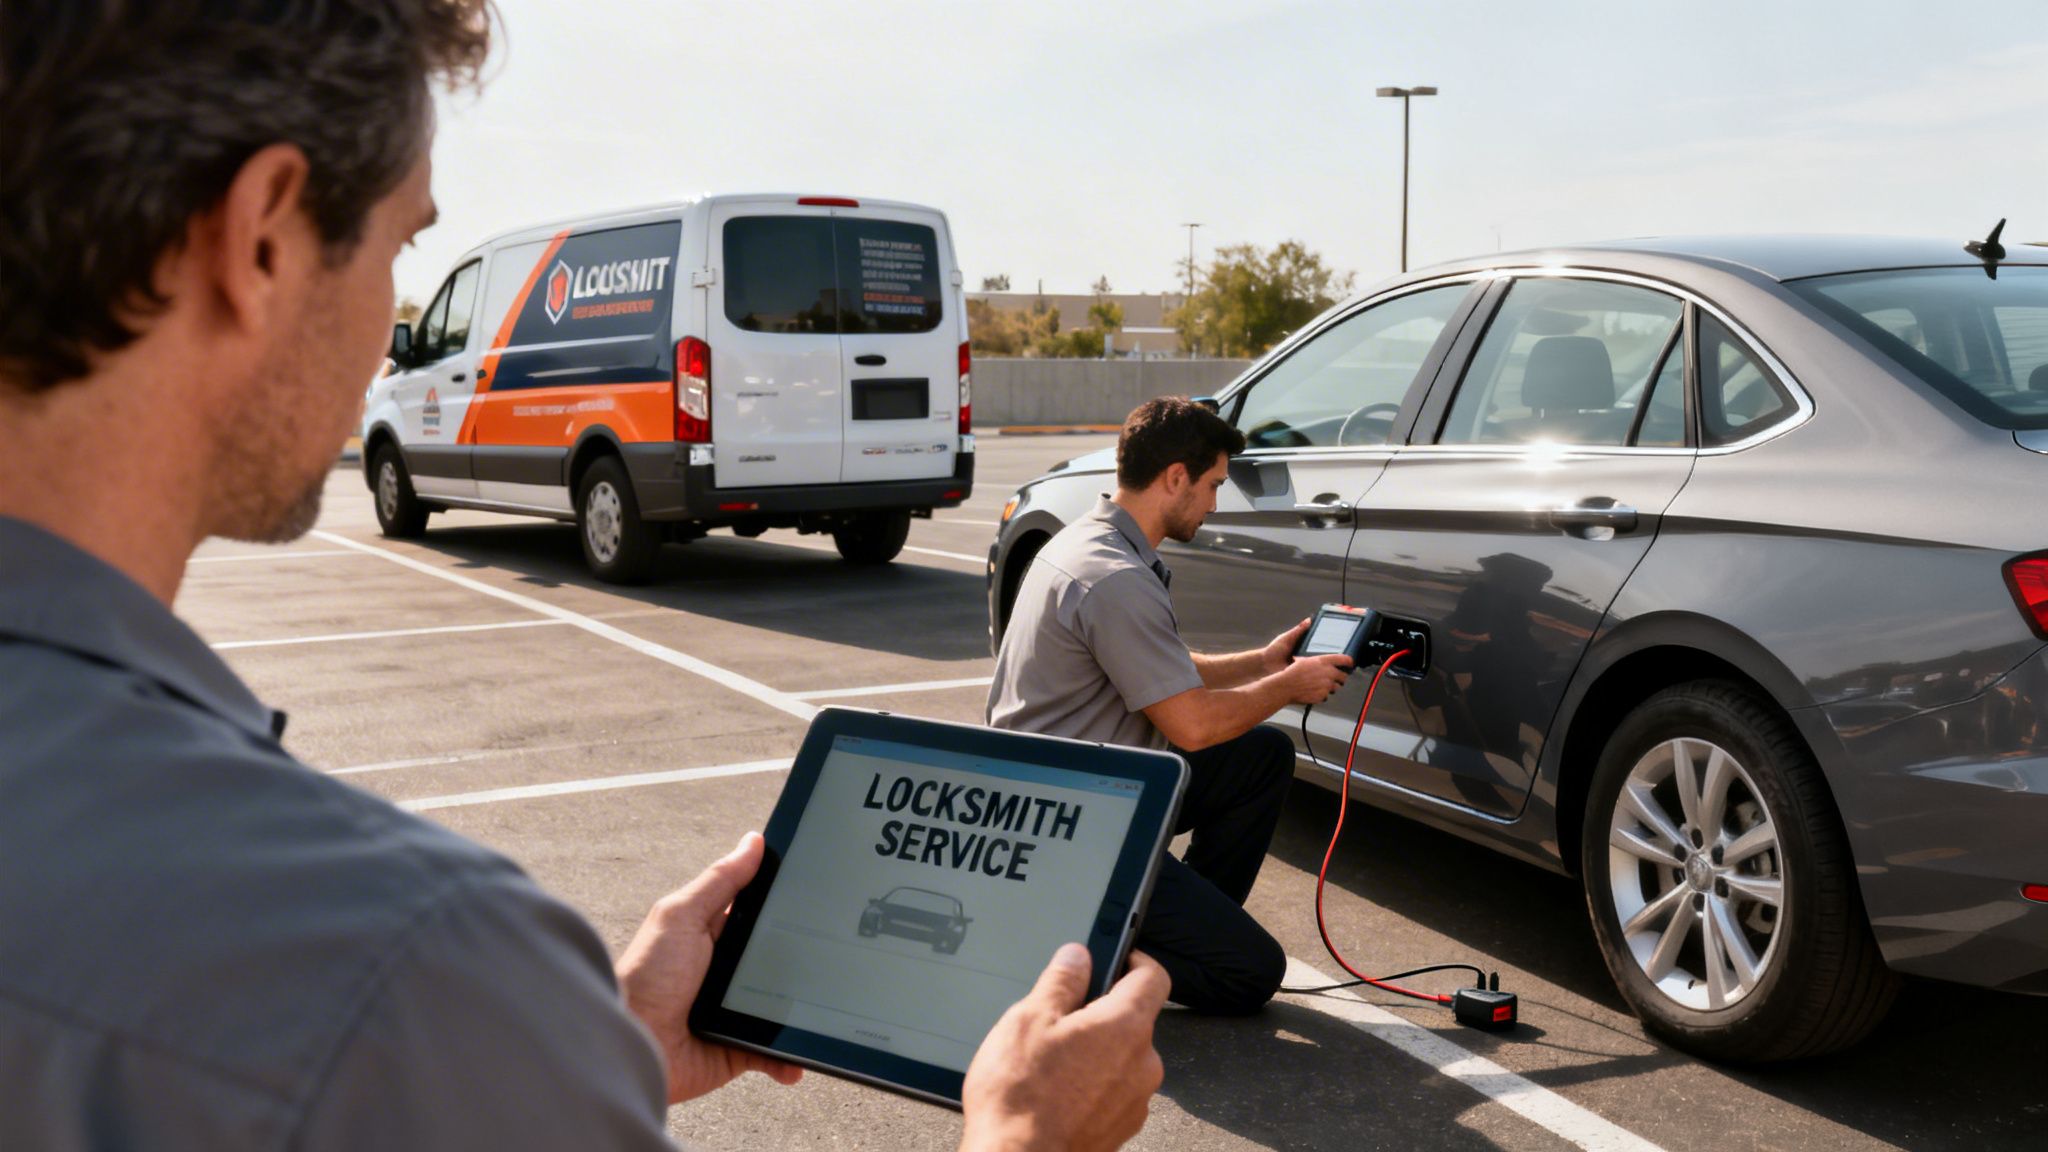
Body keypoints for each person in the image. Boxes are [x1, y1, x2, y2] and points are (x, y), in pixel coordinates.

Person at [0, 3, 1167, 1149]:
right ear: (259, 240)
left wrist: (560, 1075)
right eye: (400, 246)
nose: (384, 334)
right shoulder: (394, 965)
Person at [987, 397, 1354, 1015]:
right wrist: (1290, 687)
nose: (1215, 502)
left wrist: (1263, 663)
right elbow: (1192, 723)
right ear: (1176, 477)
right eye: (1213, 484)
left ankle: (1169, 921)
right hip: (1074, 826)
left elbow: (1158, 672)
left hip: (1079, 790)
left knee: (1261, 756)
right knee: (1251, 972)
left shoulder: (1090, 540)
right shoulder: (1116, 578)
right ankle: (1083, 951)